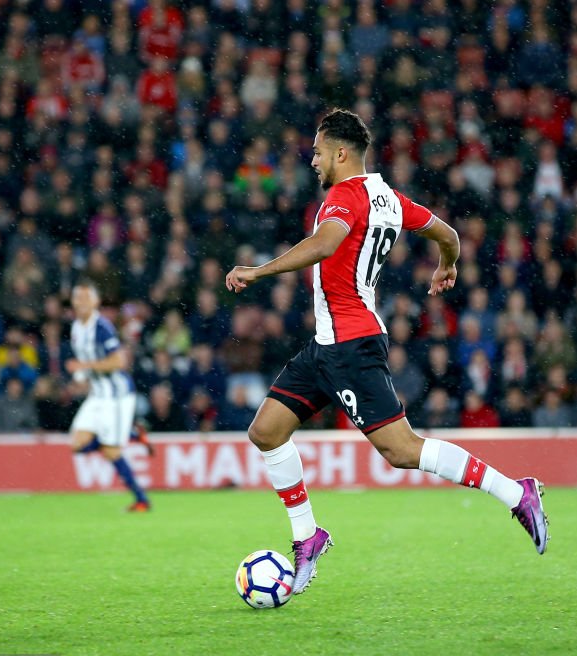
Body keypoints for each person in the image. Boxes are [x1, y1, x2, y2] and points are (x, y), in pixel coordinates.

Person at [225, 110, 549, 597]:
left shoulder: (344, 197)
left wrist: (258, 271)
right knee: (267, 431)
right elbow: (449, 236)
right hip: (328, 347)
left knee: (402, 450)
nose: (311, 160)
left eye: (317, 151)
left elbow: (324, 244)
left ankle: (514, 492)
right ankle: (307, 536)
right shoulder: (390, 198)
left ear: (340, 153)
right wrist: (447, 265)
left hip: (352, 346)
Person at [66, 282, 152, 512]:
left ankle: (142, 500)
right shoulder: (76, 328)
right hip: (98, 395)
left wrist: (83, 366)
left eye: (86, 298)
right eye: (78, 298)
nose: (81, 303)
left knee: (111, 451)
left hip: (117, 395)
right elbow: (93, 366)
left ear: (95, 302)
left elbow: (118, 361)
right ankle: (132, 434)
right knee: (77, 444)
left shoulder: (101, 327)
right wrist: (83, 375)